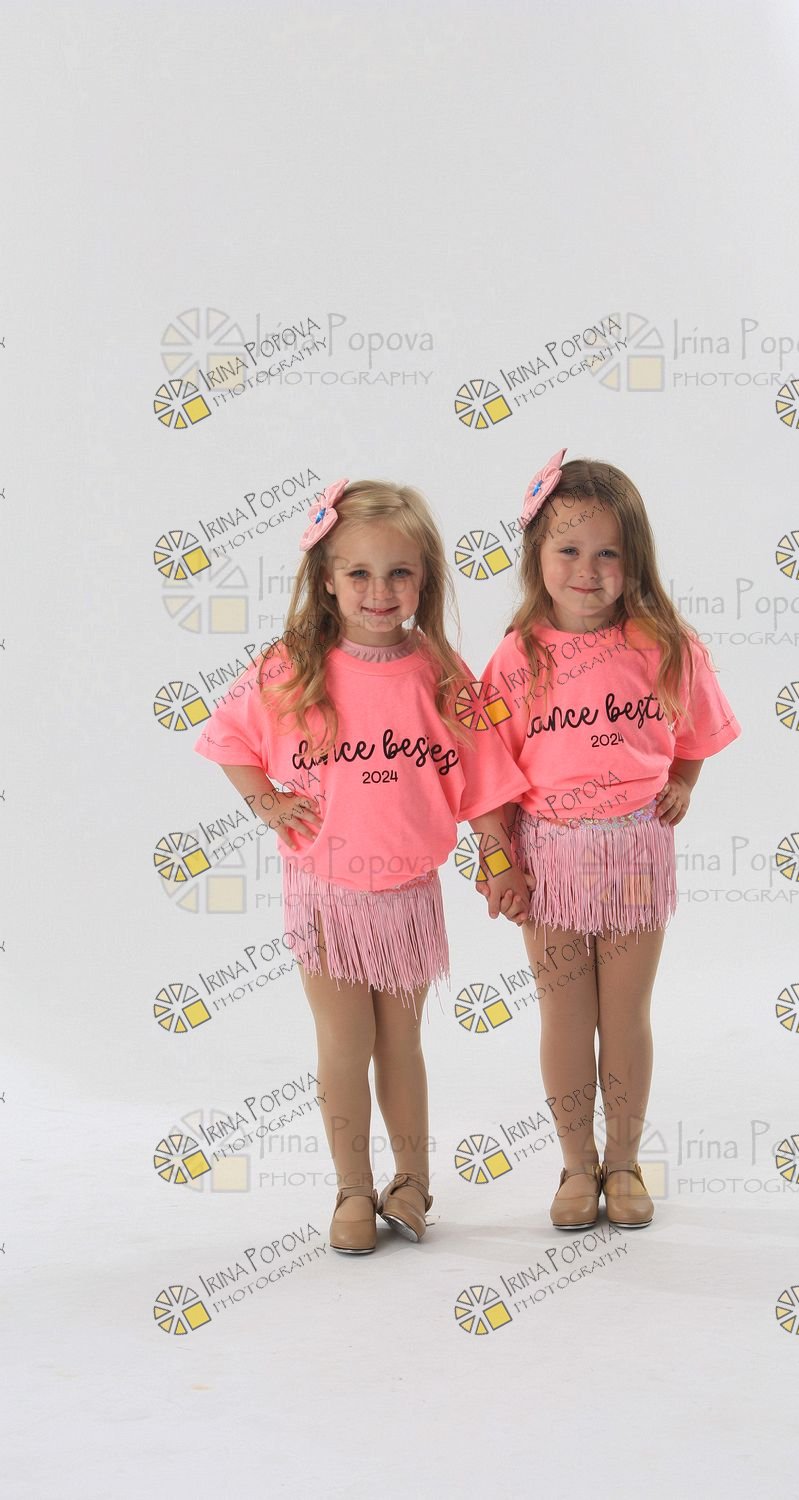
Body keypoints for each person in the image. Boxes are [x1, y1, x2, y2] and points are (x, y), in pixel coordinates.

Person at [193, 477, 533, 1255]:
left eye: (399, 573)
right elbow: (230, 737)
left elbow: (483, 779)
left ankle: (411, 1182)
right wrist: (266, 802)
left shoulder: (440, 674)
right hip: (327, 896)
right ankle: (352, 1187)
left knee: (401, 1044)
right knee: (344, 1044)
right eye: (359, 573)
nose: (380, 592)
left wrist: (499, 858)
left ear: (425, 578)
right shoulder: (293, 667)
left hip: (407, 897)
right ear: (326, 578)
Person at [475, 451, 741, 1231]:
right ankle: (574, 1165)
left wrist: (683, 780)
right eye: (568, 550)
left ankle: (622, 1163)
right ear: (537, 555)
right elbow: (488, 777)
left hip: (635, 853)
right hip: (547, 856)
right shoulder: (516, 658)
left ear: (635, 559)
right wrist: (500, 863)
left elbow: (696, 732)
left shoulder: (666, 645)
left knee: (625, 1016)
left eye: (608, 554)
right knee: (565, 1017)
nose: (587, 572)